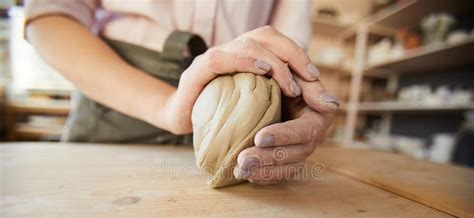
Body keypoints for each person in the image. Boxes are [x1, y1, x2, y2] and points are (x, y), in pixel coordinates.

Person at [25, 0, 339, 185]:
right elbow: (51, 17)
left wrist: (296, 94)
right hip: (116, 104)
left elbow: (287, 42)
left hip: (240, 110)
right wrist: (166, 105)